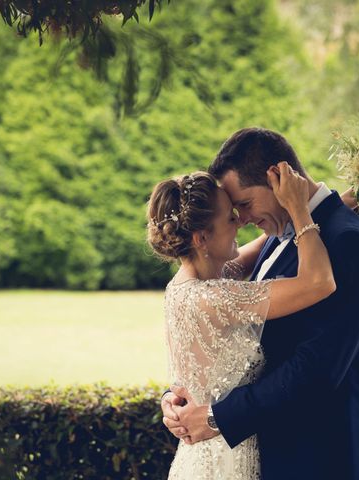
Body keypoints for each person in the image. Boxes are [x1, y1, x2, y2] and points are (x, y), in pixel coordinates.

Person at [160, 128, 359, 479]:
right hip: (263, 456)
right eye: (234, 211)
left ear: (279, 178)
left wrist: (214, 417)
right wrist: (180, 395)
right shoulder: (281, 234)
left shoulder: (347, 243)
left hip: (322, 460)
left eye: (245, 205)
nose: (243, 220)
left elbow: (317, 370)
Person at [147, 164, 342, 478]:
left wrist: (342, 201)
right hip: (226, 460)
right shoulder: (217, 298)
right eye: (230, 217)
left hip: (199, 458)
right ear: (200, 238)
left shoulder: (182, 287)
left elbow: (265, 246)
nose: (241, 221)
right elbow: (319, 282)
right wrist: (299, 208)